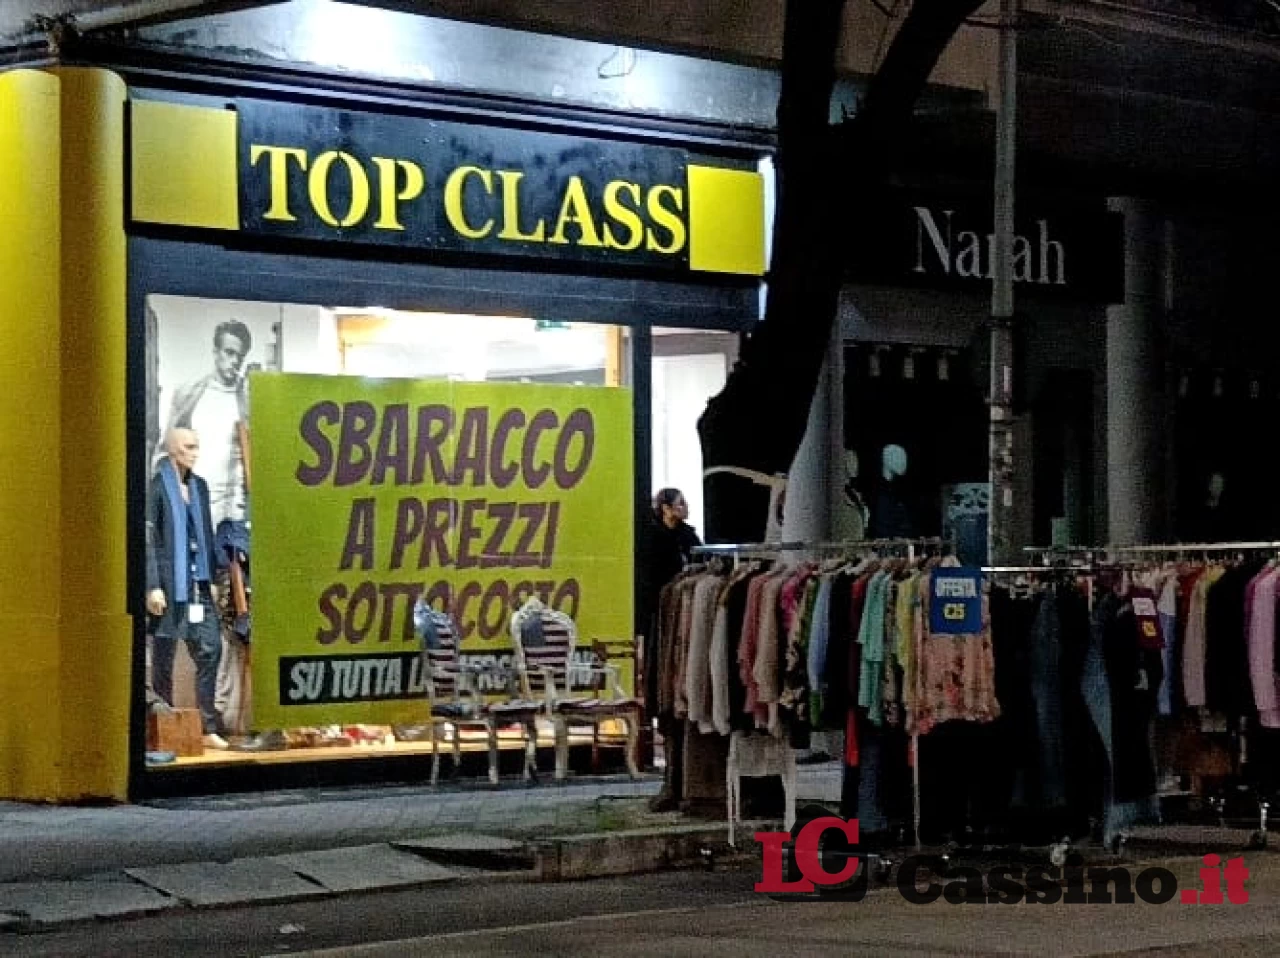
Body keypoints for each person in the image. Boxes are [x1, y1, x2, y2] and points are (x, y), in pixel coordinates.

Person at [146, 427, 227, 750]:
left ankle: (207, 724)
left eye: (196, 446)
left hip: (198, 584)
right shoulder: (156, 487)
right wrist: (152, 585)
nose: (195, 453)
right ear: (172, 449)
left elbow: (206, 532)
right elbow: (149, 539)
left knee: (211, 648)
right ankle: (163, 726)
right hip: (169, 585)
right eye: (188, 447)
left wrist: (214, 577)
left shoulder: (199, 486)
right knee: (163, 656)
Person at [641, 488, 702, 811]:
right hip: (663, 623)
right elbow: (650, 585)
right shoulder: (653, 539)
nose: (685, 507)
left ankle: (688, 782)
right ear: (666, 508)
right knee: (665, 696)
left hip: (686, 620)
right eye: (680, 503)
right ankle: (672, 781)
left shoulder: (689, 537)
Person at [158, 320, 252, 529]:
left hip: (235, 514)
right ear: (216, 352)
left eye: (240, 356)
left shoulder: (248, 400)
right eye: (229, 353)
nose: (235, 361)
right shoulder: (190, 394)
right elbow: (166, 450)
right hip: (196, 508)